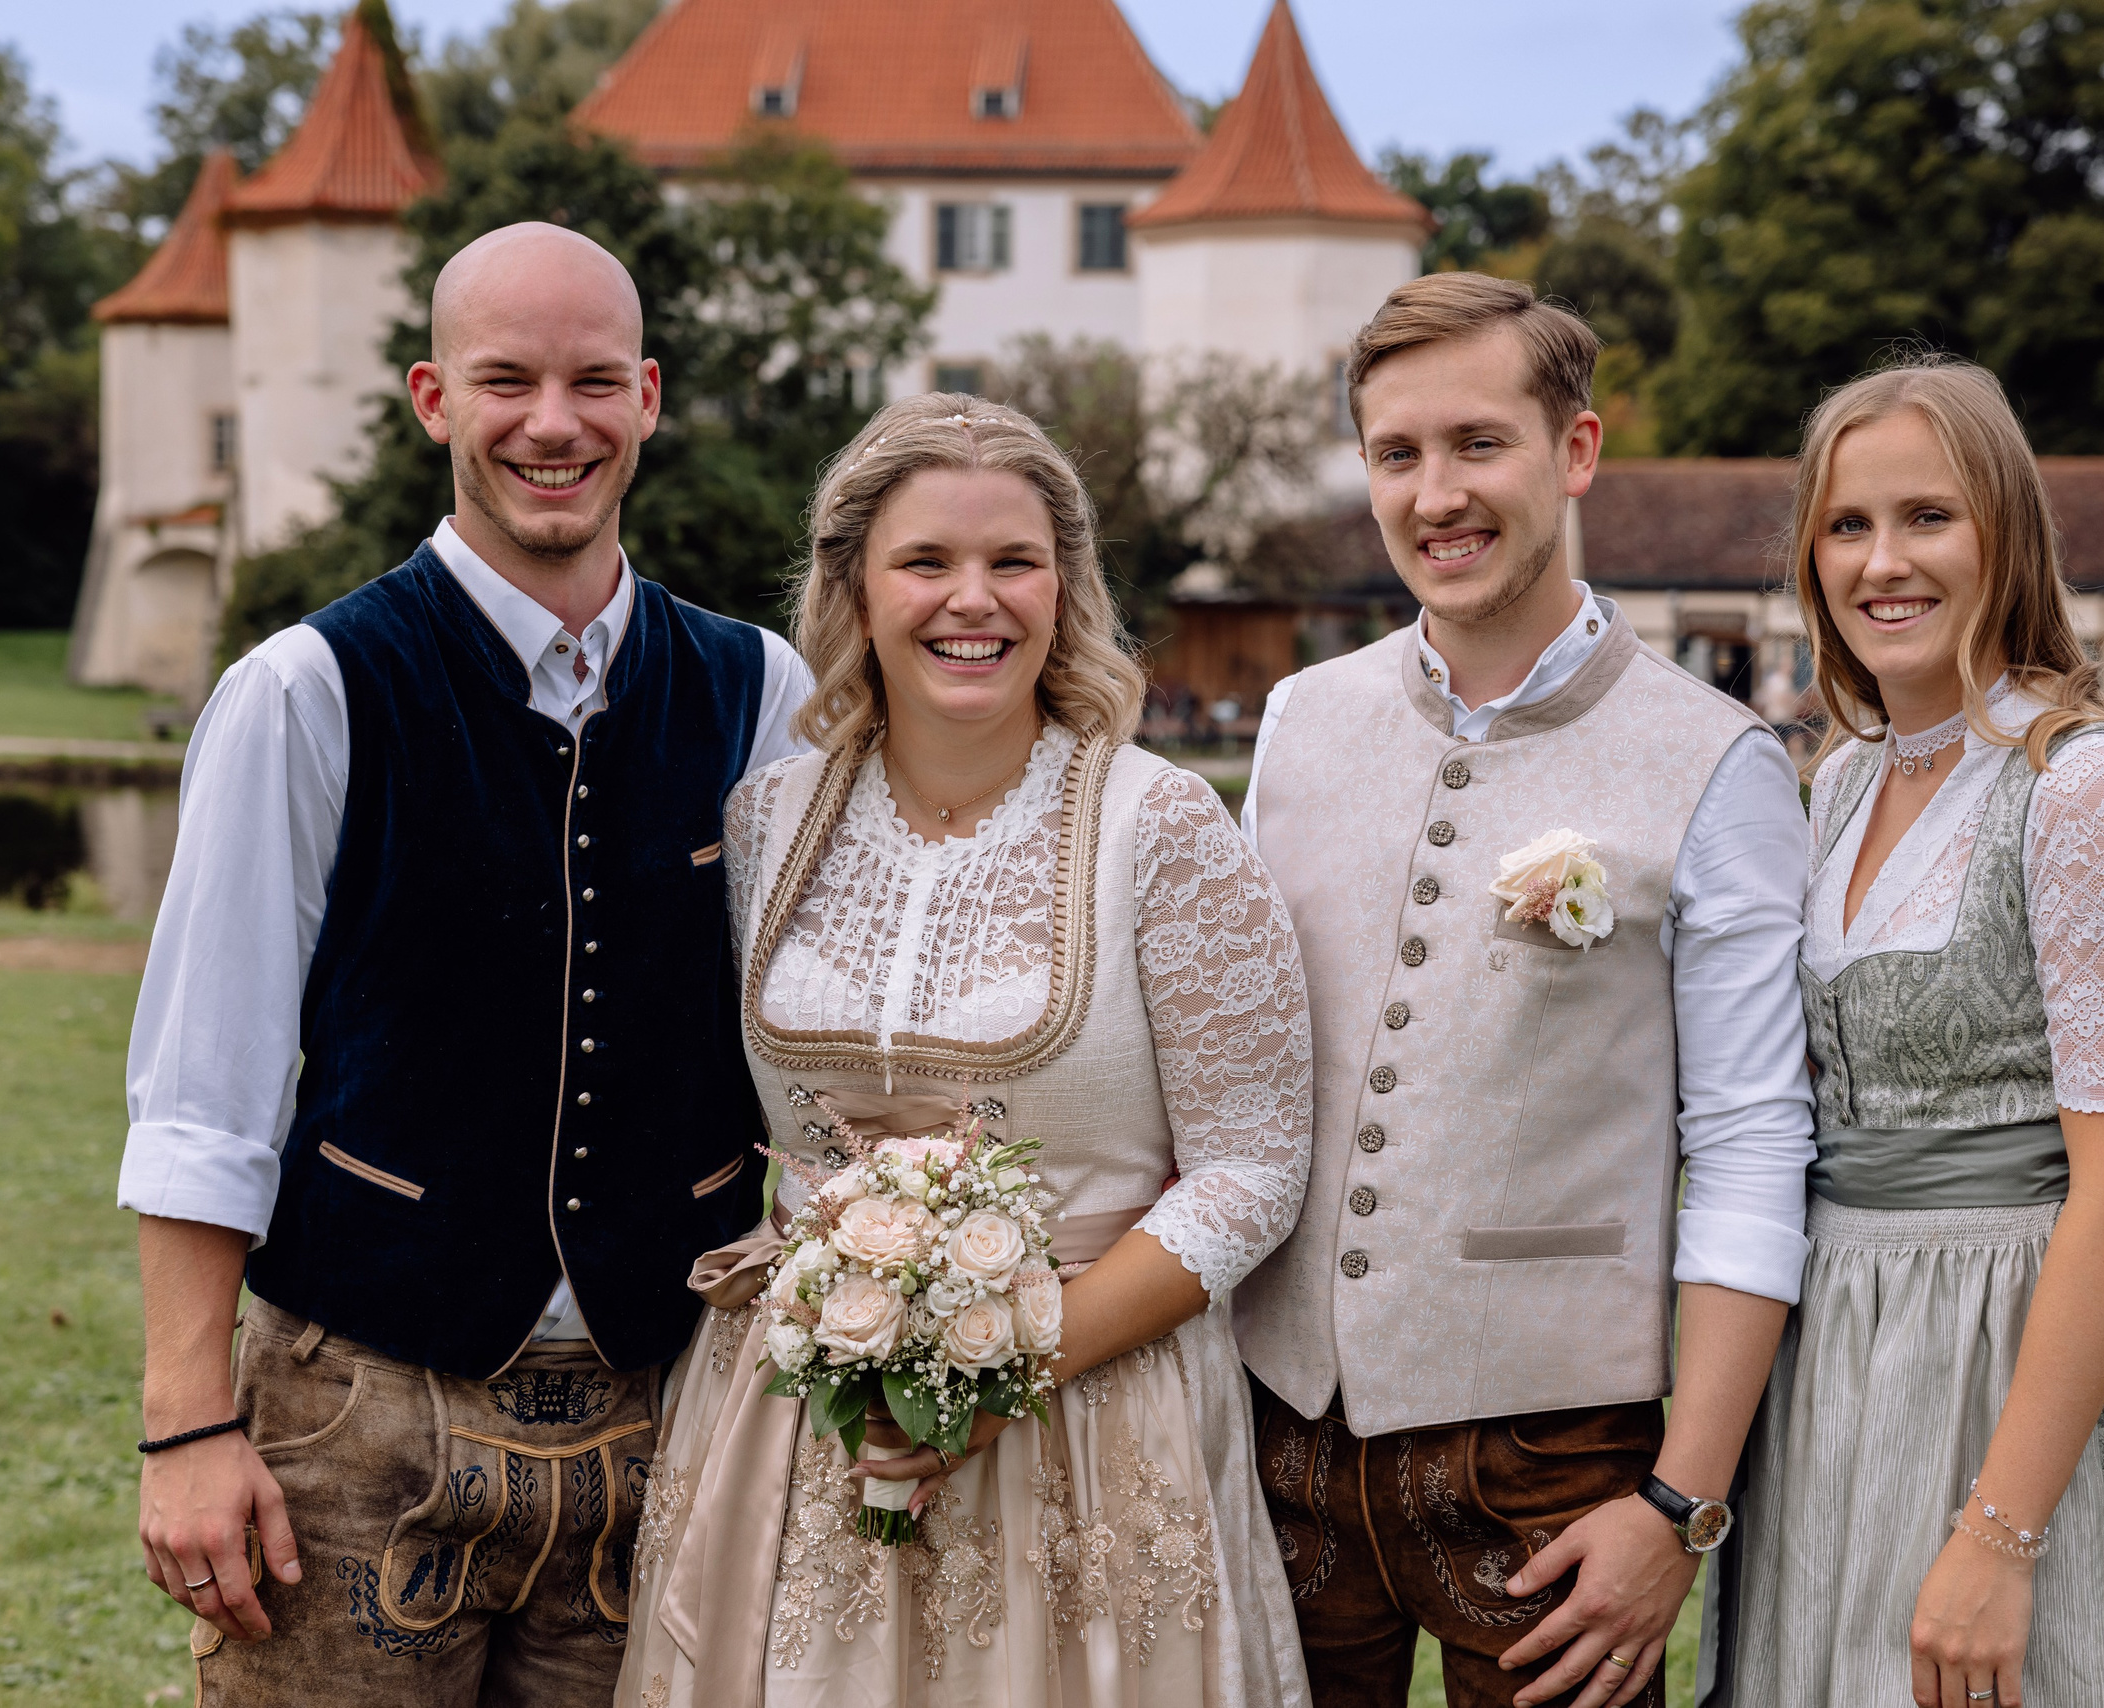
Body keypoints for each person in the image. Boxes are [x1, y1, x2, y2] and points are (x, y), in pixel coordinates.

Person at [118, 221, 814, 1705]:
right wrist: (185, 1424)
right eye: (507, 381)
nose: (553, 424)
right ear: (435, 400)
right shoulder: (306, 689)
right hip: (358, 1415)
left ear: (647, 398)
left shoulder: (760, 688)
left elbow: (813, 1045)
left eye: (593, 381)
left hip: (666, 1407)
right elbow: (203, 1089)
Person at [616, 395, 1315, 1707]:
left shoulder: (1161, 828)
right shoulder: (764, 822)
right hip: (801, 1425)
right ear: (854, 588)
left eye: (1014, 562)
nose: (972, 600)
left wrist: (1009, 1365)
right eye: (926, 561)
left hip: (1090, 1431)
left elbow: (1252, 1167)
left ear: (1067, 588)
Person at [1236, 272, 1817, 1708]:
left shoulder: (1720, 760)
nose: (1436, 494)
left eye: (1478, 443)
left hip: (1554, 1461)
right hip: (1275, 1428)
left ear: (1576, 451)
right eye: (1397, 453)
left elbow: (1752, 1145)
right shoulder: (1299, 720)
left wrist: (1680, 1504)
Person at [1706, 356, 2104, 1707]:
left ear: (2006, 532)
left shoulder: (2081, 789)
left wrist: (2000, 1533)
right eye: (1847, 526)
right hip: (1834, 1356)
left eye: (1929, 517)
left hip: (2007, 1351)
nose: (1883, 562)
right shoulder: (1838, 784)